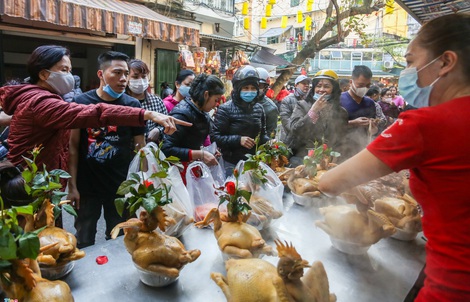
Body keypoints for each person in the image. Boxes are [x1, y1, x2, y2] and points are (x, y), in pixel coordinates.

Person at [318, 13, 470, 302]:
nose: (407, 71)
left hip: (454, 287)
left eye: (411, 61)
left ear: (446, 62)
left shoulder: (425, 124)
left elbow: (329, 183)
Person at [0, 45, 189, 173]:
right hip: (30, 184)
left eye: (70, 70)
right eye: (64, 70)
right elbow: (95, 112)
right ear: (43, 74)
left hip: (36, 178)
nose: (70, 76)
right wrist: (146, 114)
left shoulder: (35, 98)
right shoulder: (41, 102)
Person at [67, 51, 148, 248]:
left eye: (126, 74)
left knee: (119, 239)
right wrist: (72, 187)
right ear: (101, 74)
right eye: (117, 73)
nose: (123, 79)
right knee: (84, 239)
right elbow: (73, 147)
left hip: (121, 186)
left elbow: (140, 147)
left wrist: (144, 183)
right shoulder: (81, 103)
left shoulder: (132, 105)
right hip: (87, 187)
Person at [161, 74, 224, 181]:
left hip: (192, 172)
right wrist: (200, 154)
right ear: (206, 95)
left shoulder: (202, 112)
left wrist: (210, 151)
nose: (216, 105)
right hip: (178, 175)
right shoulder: (182, 115)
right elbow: (167, 149)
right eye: (216, 100)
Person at [211, 65, 269, 176]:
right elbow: (215, 137)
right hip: (231, 164)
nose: (250, 91)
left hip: (253, 162)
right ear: (238, 89)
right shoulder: (225, 109)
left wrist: (269, 142)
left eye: (253, 88)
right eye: (246, 88)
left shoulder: (259, 108)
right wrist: (238, 140)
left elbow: (262, 134)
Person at [288, 69, 348, 166]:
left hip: (328, 161)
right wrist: (313, 111)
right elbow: (295, 130)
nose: (321, 90)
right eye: (318, 86)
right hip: (302, 159)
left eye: (326, 86)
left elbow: (342, 139)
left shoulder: (341, 112)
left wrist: (336, 157)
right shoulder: (302, 105)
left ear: (334, 89)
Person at [340, 65, 379, 159]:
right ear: (351, 82)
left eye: (368, 86)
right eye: (361, 85)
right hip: (341, 149)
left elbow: (373, 130)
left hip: (363, 148)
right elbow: (330, 127)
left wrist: (373, 126)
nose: (364, 88)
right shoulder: (339, 100)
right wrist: (353, 123)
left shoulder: (370, 103)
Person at [126, 59, 168, 143]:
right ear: (126, 78)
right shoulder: (122, 103)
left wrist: (158, 130)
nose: (140, 80)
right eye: (135, 77)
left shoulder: (157, 101)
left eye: (144, 76)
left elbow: (166, 122)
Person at [279, 75, 311, 148]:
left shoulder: (310, 101)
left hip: (305, 142)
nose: (306, 85)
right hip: (289, 141)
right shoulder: (287, 100)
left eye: (308, 84)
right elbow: (286, 123)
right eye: (303, 83)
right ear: (296, 85)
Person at [255, 67, 279, 138]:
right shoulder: (239, 102)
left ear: (266, 87)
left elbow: (270, 136)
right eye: (253, 84)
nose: (255, 88)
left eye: (259, 85)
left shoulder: (271, 108)